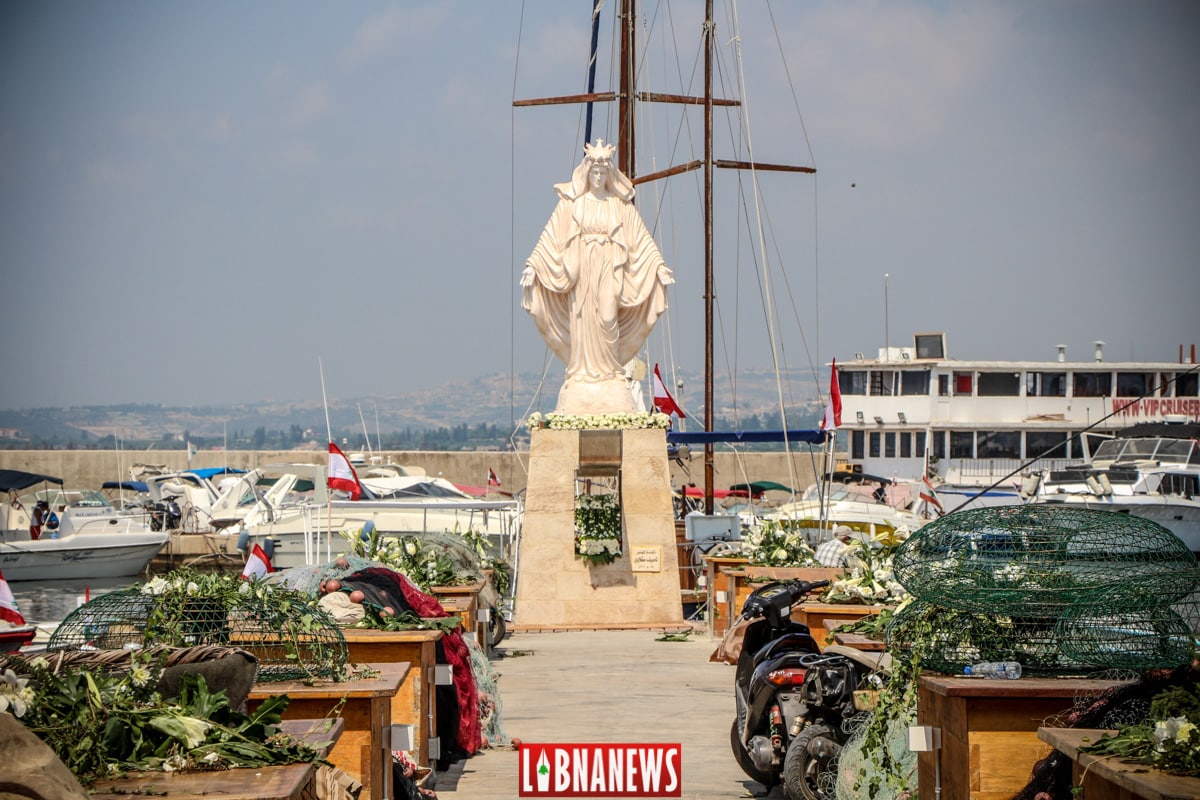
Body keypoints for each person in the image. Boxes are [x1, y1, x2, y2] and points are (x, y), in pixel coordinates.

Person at [521, 138, 674, 414]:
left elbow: (641, 238)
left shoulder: (619, 205)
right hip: (581, 269)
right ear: (587, 172)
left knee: (606, 317)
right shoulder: (572, 204)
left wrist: (658, 266)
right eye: (594, 171)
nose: (597, 176)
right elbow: (550, 236)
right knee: (582, 319)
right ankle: (583, 372)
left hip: (609, 267)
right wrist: (533, 265)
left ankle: (610, 372)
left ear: (608, 174)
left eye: (602, 172)